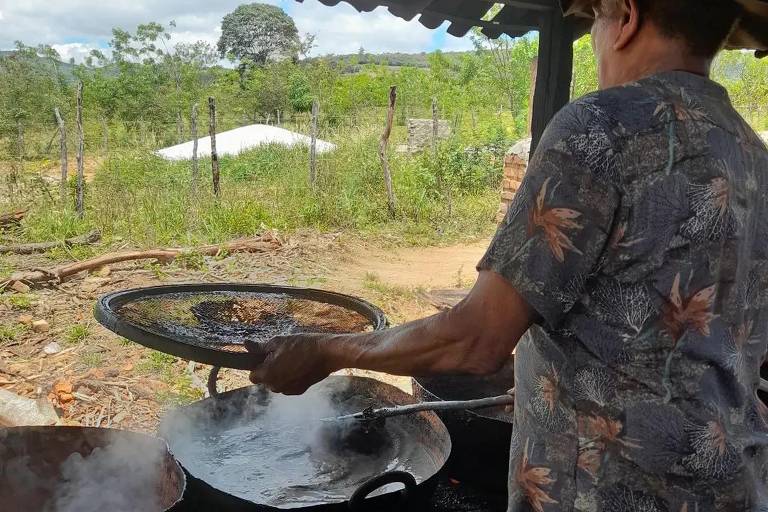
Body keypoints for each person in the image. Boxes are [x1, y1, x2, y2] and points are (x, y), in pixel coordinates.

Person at [247, 0, 768, 510]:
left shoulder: (601, 127)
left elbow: (477, 339)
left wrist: (328, 351)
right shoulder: (752, 155)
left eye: (594, 20)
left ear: (625, 16)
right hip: (735, 483)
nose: (593, 40)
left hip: (607, 491)